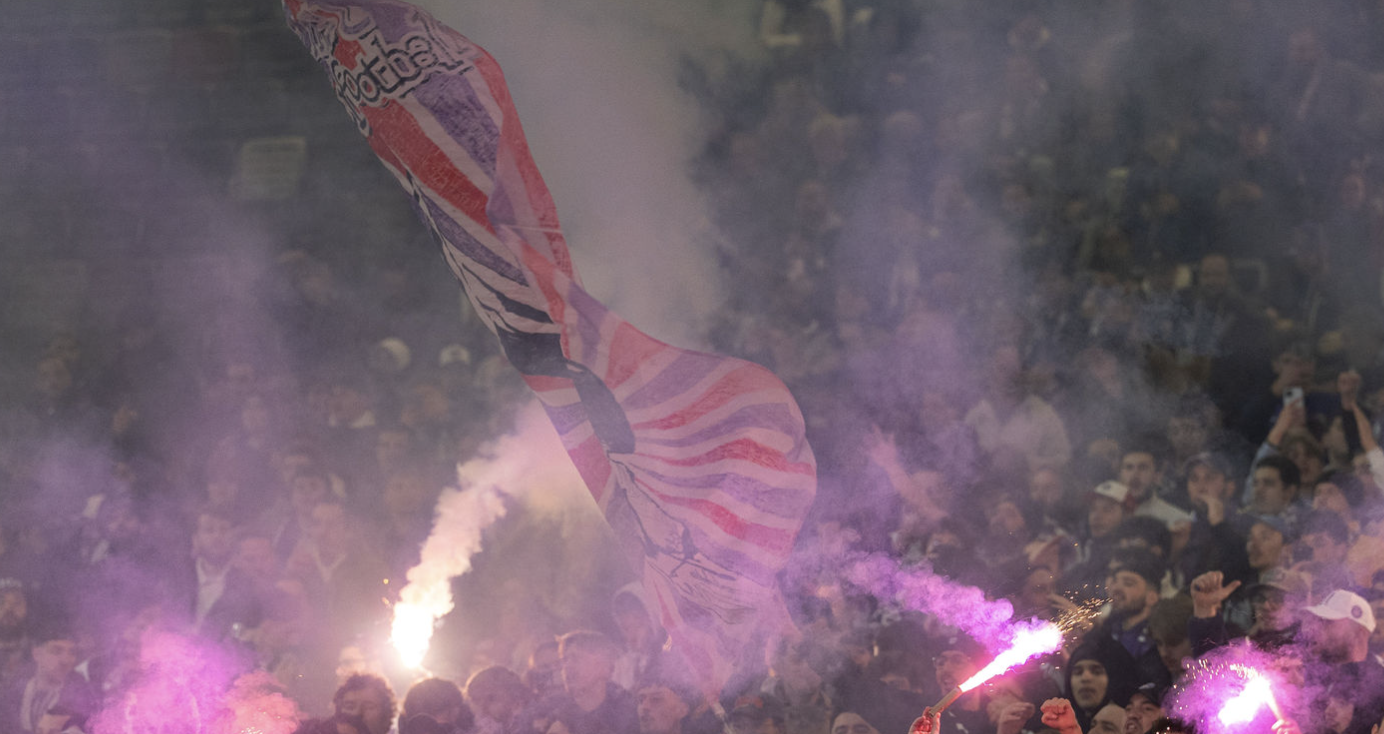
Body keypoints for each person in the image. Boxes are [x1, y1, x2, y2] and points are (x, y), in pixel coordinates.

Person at [517, 630, 637, 734]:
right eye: (564, 660)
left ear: (603, 665)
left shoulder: (629, 710)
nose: (567, 666)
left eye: (576, 658)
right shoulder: (552, 715)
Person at [0, 624, 97, 733]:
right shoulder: (11, 693)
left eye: (72, 652)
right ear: (36, 654)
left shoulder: (84, 700)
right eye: (56, 651)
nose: (65, 660)